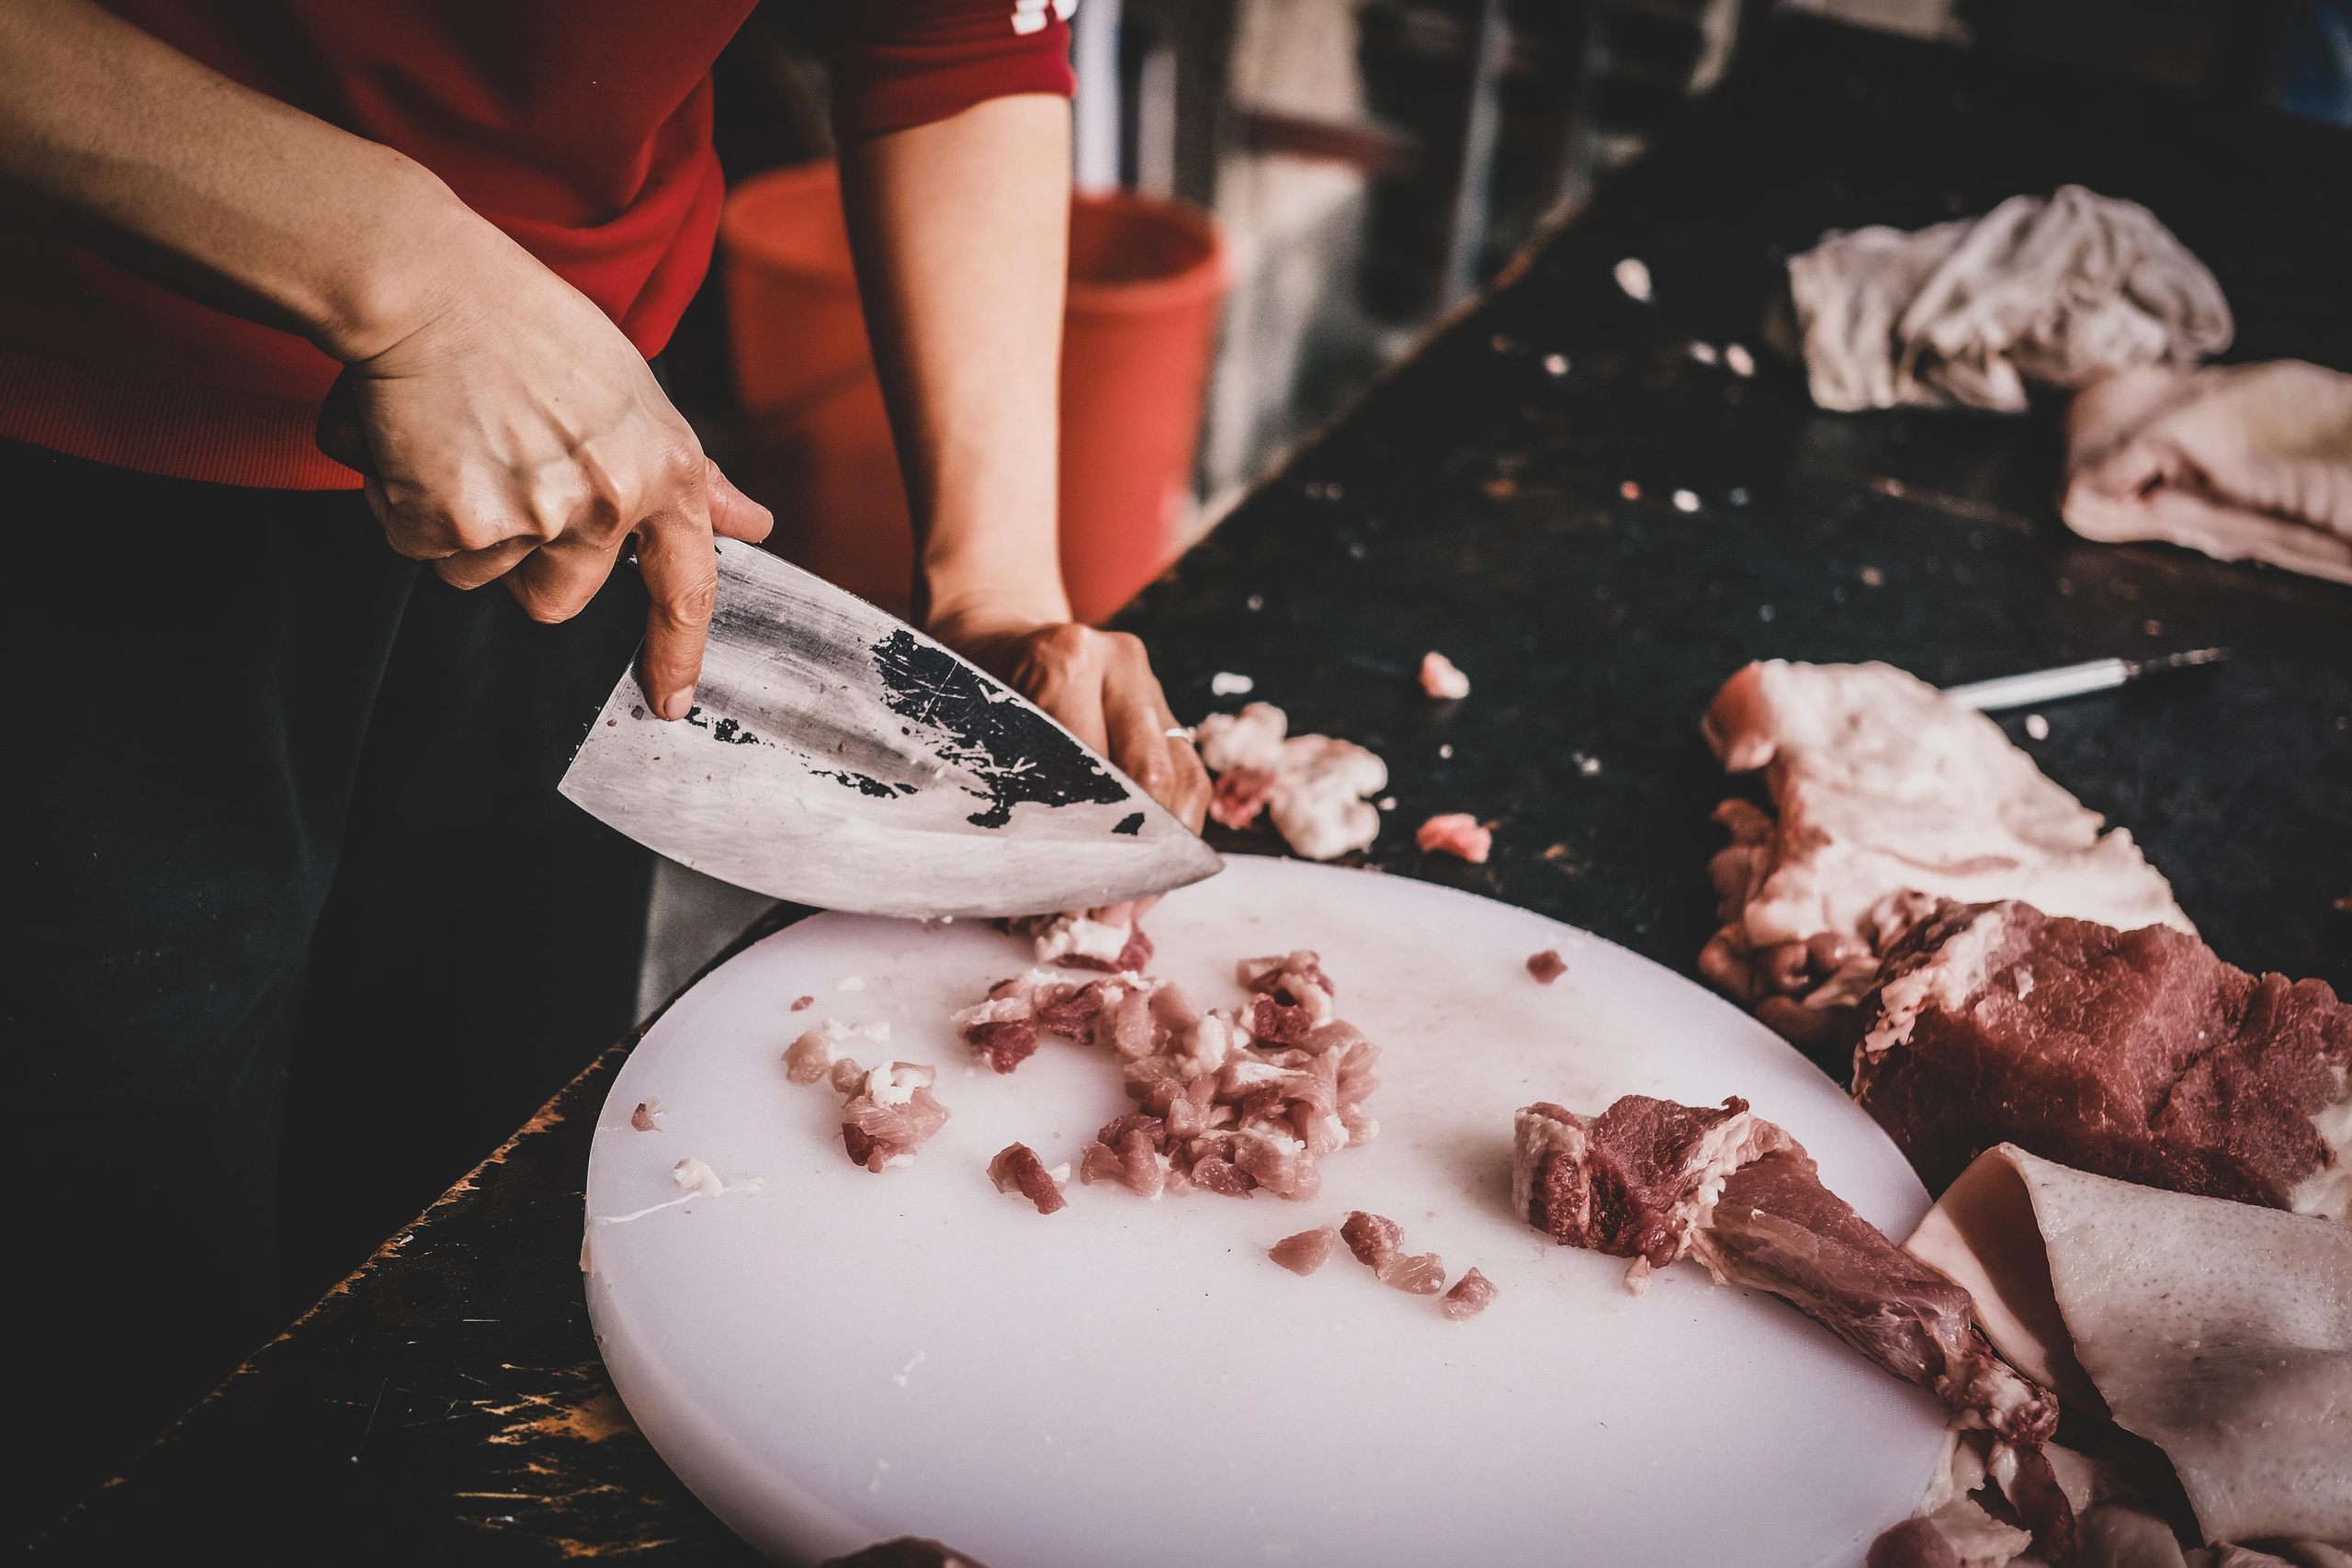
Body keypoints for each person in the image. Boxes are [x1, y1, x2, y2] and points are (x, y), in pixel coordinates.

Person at [0, 0, 1209, 1532]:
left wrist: (1000, 591)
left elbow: (955, 36)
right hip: (69, 447)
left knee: (472, 1207)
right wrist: (401, 264)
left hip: (586, 475)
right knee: (105, 1322)